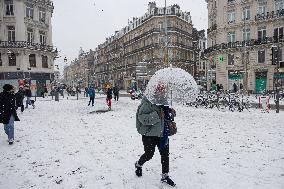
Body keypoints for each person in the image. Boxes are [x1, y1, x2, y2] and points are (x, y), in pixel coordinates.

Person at [135, 83, 176, 187]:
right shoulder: (147, 102)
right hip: (149, 135)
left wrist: (171, 113)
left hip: (163, 133)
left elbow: (167, 117)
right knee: (149, 154)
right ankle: (138, 164)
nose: (162, 92)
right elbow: (142, 118)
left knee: (165, 155)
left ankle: (165, 176)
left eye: (163, 90)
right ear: (155, 91)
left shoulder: (164, 102)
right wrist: (157, 115)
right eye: (160, 90)